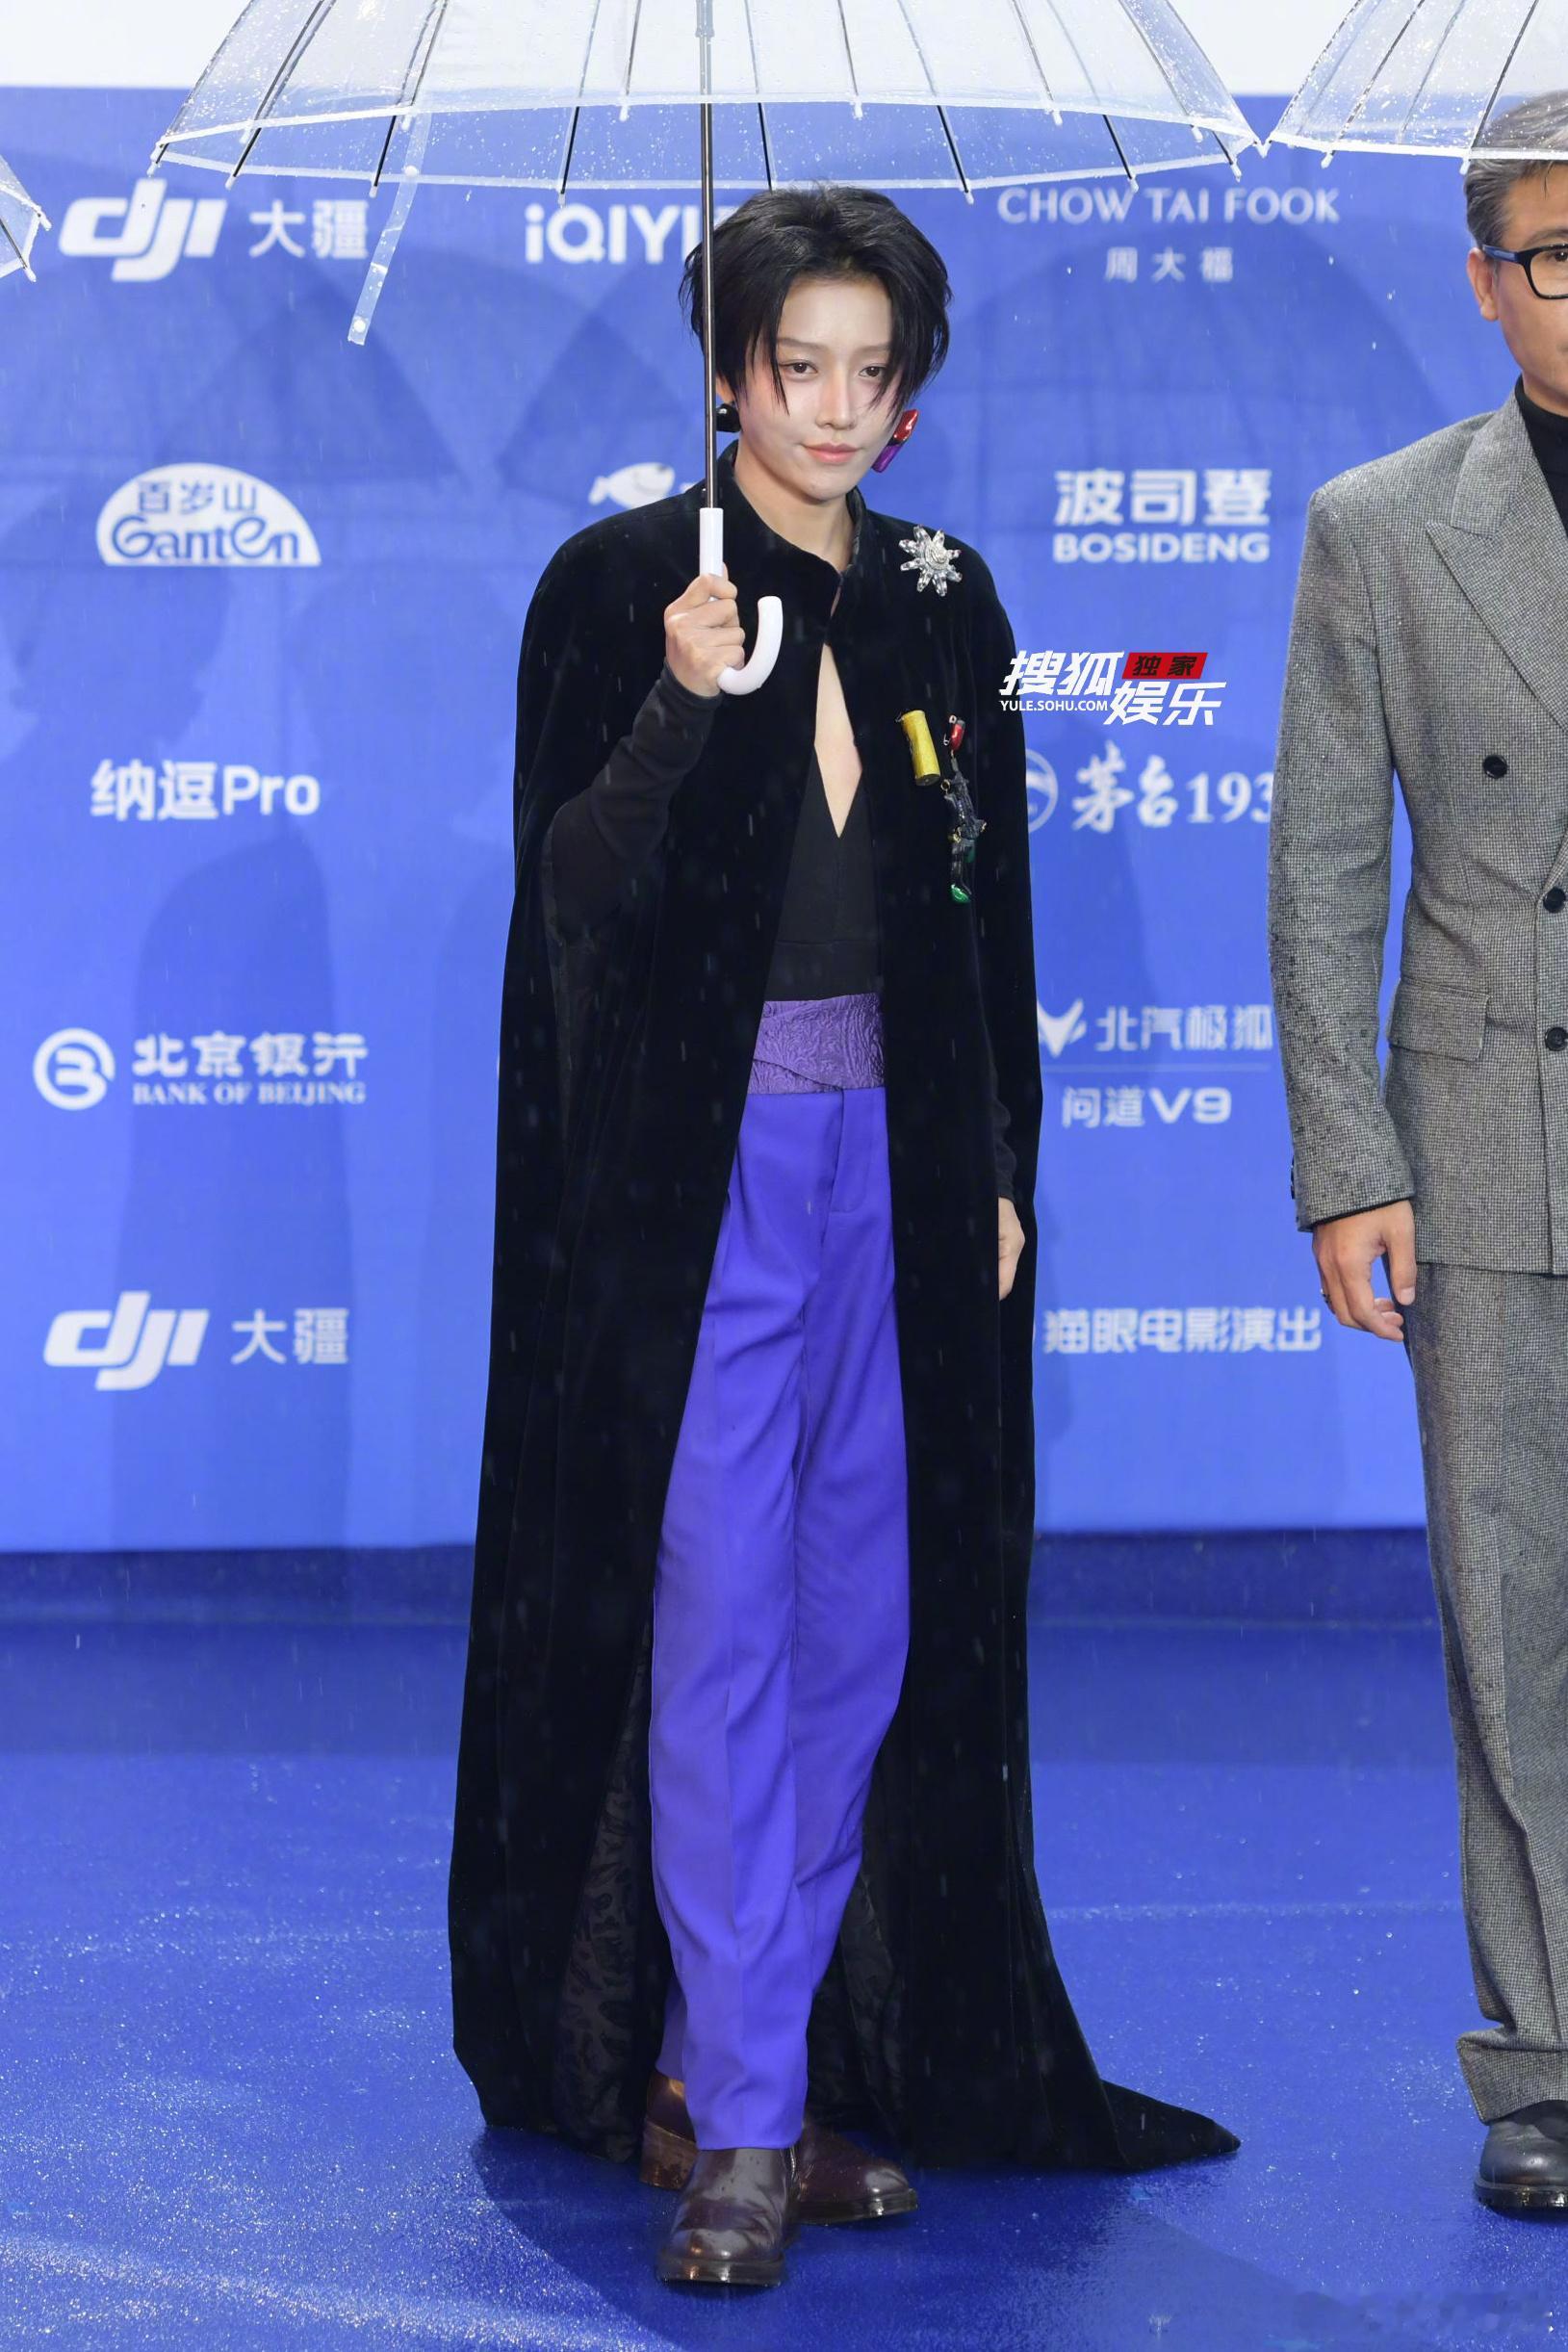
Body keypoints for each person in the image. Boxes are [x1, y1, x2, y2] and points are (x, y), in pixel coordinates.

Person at [450, 180, 1236, 2290]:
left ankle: (747, 2054)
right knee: (716, 1626)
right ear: (725, 376)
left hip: (902, 1168)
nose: (830, 407)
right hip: (695, 1191)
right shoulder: (625, 585)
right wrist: (677, 704)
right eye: (793, 366)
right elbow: (567, 904)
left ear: (906, 395)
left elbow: (987, 913)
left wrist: (998, 1165)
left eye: (868, 372)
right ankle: (740, 2120)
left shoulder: (940, 597)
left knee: (858, 1634)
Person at [1269, 91, 1568, 2218]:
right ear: (1484, 282)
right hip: (1482, 1138)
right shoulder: (1379, 525)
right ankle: (1543, 2059)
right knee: (1511, 1617)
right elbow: (1318, 867)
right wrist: (1343, 1159)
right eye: (1555, 256)